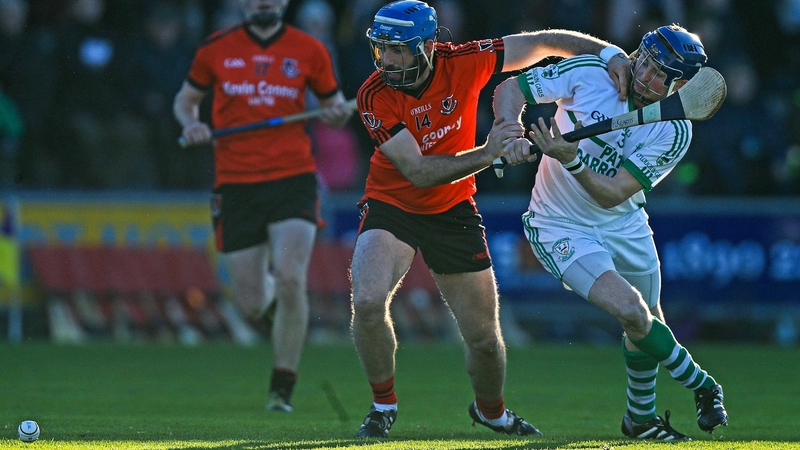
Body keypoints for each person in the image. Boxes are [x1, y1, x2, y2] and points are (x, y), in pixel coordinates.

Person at [351, 0, 632, 439]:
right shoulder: (373, 94)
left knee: (483, 338)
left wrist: (610, 53)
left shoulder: (466, 60)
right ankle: (382, 404)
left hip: (453, 208)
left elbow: (544, 43)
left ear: (426, 47)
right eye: (382, 49)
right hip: (393, 204)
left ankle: (492, 412)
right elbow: (418, 172)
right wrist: (490, 152)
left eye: (398, 50)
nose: (387, 59)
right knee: (368, 301)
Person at [493, 24, 729, 440]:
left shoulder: (674, 129)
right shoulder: (590, 73)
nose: (645, 77)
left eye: (660, 75)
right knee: (632, 312)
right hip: (559, 224)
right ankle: (704, 385)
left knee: (647, 323)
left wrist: (571, 160)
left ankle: (640, 420)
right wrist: (510, 128)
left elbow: (613, 193)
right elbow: (512, 88)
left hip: (624, 222)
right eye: (645, 63)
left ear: (679, 87)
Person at [173, 0, 353, 412]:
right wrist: (192, 123)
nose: (263, 1)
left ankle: (282, 386)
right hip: (236, 185)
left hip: (293, 179)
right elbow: (185, 100)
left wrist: (337, 113)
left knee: (291, 278)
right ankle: (287, 310)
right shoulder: (215, 49)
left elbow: (334, 107)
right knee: (252, 303)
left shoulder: (310, 49)